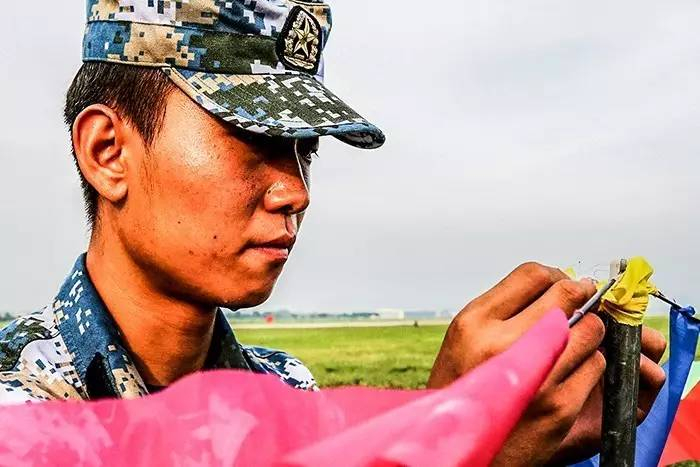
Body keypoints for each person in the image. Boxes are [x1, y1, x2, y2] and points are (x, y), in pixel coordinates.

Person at [0, 1, 667, 464]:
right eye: (253, 137)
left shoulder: (286, 390)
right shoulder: (21, 414)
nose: (296, 191)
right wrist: (448, 439)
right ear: (108, 151)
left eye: (306, 151)